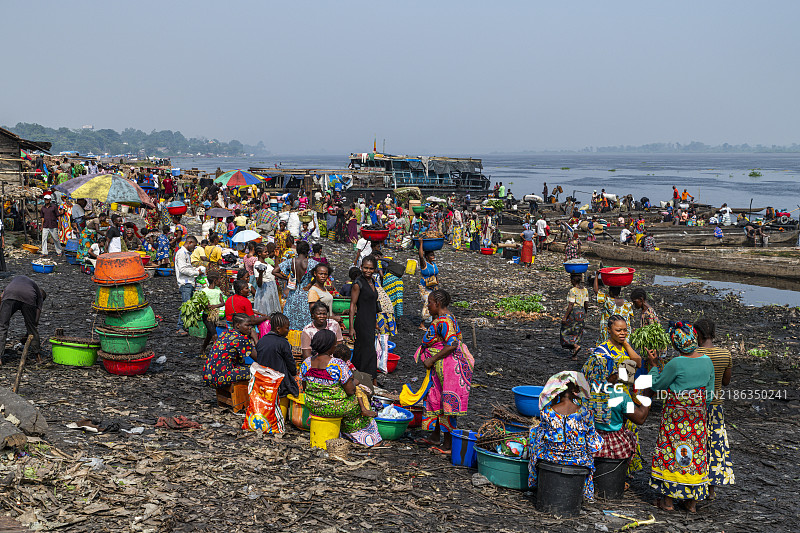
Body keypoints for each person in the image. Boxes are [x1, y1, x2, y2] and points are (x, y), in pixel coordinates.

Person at [647, 322, 715, 513]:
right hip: (697, 419)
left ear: (676, 344)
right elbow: (709, 395)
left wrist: (654, 366)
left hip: (675, 419)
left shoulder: (676, 363)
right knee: (695, 454)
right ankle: (691, 503)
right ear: (694, 338)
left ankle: (668, 502)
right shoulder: (707, 361)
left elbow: (657, 385)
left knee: (672, 451)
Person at [582, 315, 643, 475]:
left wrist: (626, 343)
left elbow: (638, 362)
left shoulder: (624, 347)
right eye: (618, 330)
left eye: (625, 330)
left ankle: (624, 472)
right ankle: (610, 473)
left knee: (629, 432)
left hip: (625, 395)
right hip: (610, 398)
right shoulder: (602, 351)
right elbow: (597, 379)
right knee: (614, 434)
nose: (622, 333)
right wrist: (615, 378)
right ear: (609, 330)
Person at [300, 329, 383, 446]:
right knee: (359, 402)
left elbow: (305, 387)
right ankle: (369, 439)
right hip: (335, 407)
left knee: (347, 404)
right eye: (334, 344)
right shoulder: (338, 364)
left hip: (313, 405)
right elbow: (350, 391)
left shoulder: (306, 363)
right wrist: (354, 383)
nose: (335, 347)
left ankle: (340, 433)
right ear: (329, 347)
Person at [415, 289, 474, 451]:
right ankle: (435, 437)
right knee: (435, 398)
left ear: (438, 303)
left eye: (430, 303)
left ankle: (448, 444)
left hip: (447, 368)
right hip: (440, 368)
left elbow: (452, 344)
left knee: (446, 404)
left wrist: (432, 359)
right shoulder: (444, 318)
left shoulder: (445, 321)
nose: (428, 306)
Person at [529, 371, 601, 499]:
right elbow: (593, 444)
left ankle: (533, 482)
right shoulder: (586, 413)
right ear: (575, 390)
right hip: (578, 460)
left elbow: (541, 437)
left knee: (535, 433)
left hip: (551, 457)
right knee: (590, 449)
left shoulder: (547, 412)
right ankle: (586, 492)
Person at [694, 318, 734, 498]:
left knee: (697, 445)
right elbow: (726, 382)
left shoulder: (693, 355)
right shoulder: (725, 354)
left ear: (697, 334)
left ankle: (695, 485)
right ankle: (711, 490)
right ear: (714, 334)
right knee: (714, 446)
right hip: (716, 408)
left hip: (697, 406)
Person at [0, 276, 46, 364]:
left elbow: (2, 296)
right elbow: (35, 322)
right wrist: (29, 330)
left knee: (2, 326)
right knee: (32, 328)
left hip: (10, 294)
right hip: (28, 297)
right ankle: (38, 357)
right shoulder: (39, 296)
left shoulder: (20, 281)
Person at [273, 241, 317, 331]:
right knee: (306, 320)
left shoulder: (291, 261)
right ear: (308, 251)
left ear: (297, 250)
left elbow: (274, 271)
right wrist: (310, 284)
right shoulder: (312, 263)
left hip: (293, 293)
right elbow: (322, 272)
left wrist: (287, 278)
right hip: (306, 294)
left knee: (291, 319)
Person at [349, 255, 380, 383]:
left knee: (364, 351)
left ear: (375, 269)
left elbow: (372, 304)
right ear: (361, 267)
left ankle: (359, 378)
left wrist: (376, 322)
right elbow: (352, 305)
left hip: (370, 321)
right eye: (366, 268)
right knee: (369, 351)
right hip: (362, 322)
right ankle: (372, 380)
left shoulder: (372, 282)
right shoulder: (358, 283)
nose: (368, 271)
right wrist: (351, 327)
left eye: (371, 268)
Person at [202, 314, 254, 387]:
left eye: (251, 326)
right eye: (247, 325)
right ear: (238, 325)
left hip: (207, 375)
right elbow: (258, 358)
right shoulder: (240, 338)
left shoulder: (225, 333)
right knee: (255, 372)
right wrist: (255, 337)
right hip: (219, 377)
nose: (250, 328)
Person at [255, 312, 298, 398]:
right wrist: (294, 373)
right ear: (278, 329)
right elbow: (290, 363)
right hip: (279, 384)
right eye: (287, 328)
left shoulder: (261, 341)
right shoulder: (284, 343)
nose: (288, 330)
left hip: (263, 381)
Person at [593, 272, 634, 345]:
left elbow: (596, 291)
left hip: (610, 333)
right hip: (623, 334)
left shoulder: (608, 300)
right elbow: (630, 318)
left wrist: (596, 275)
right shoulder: (627, 303)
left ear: (610, 292)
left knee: (608, 348)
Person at [175, 236, 204, 336]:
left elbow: (186, 267)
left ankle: (185, 326)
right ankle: (180, 327)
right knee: (186, 305)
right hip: (185, 283)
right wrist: (196, 272)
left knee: (188, 305)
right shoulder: (181, 253)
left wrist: (194, 270)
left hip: (189, 282)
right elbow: (182, 269)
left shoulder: (186, 253)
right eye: (194, 246)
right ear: (190, 242)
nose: (194, 248)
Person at [560, 273, 589, 359]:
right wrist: (585, 312)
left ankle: (575, 346)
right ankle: (574, 355)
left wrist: (565, 317)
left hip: (574, 312)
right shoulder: (585, 290)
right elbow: (586, 303)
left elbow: (571, 305)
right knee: (577, 331)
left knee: (565, 331)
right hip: (582, 311)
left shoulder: (572, 290)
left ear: (572, 280)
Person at [251, 244, 281, 317]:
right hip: (264, 292)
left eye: (267, 251)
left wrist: (276, 257)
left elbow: (275, 270)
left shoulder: (266, 263)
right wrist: (261, 274)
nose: (267, 253)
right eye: (265, 252)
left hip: (271, 289)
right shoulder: (258, 265)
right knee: (266, 313)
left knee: (273, 312)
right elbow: (259, 284)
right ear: (259, 253)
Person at [199, 272, 226, 354]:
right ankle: (216, 354)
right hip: (207, 316)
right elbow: (202, 304)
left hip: (215, 316)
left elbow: (222, 302)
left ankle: (203, 348)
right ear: (215, 280)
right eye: (219, 280)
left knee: (210, 334)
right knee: (214, 335)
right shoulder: (205, 291)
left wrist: (215, 306)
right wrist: (207, 306)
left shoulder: (218, 290)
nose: (220, 281)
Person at [417, 243, 439, 330]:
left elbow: (436, 274)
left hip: (433, 287)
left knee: (436, 303)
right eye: (431, 255)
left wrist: (437, 282)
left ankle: (433, 323)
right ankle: (422, 324)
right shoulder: (424, 265)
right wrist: (421, 243)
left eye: (433, 255)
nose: (433, 256)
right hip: (424, 288)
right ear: (426, 257)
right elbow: (420, 256)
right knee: (428, 302)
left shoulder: (433, 264)